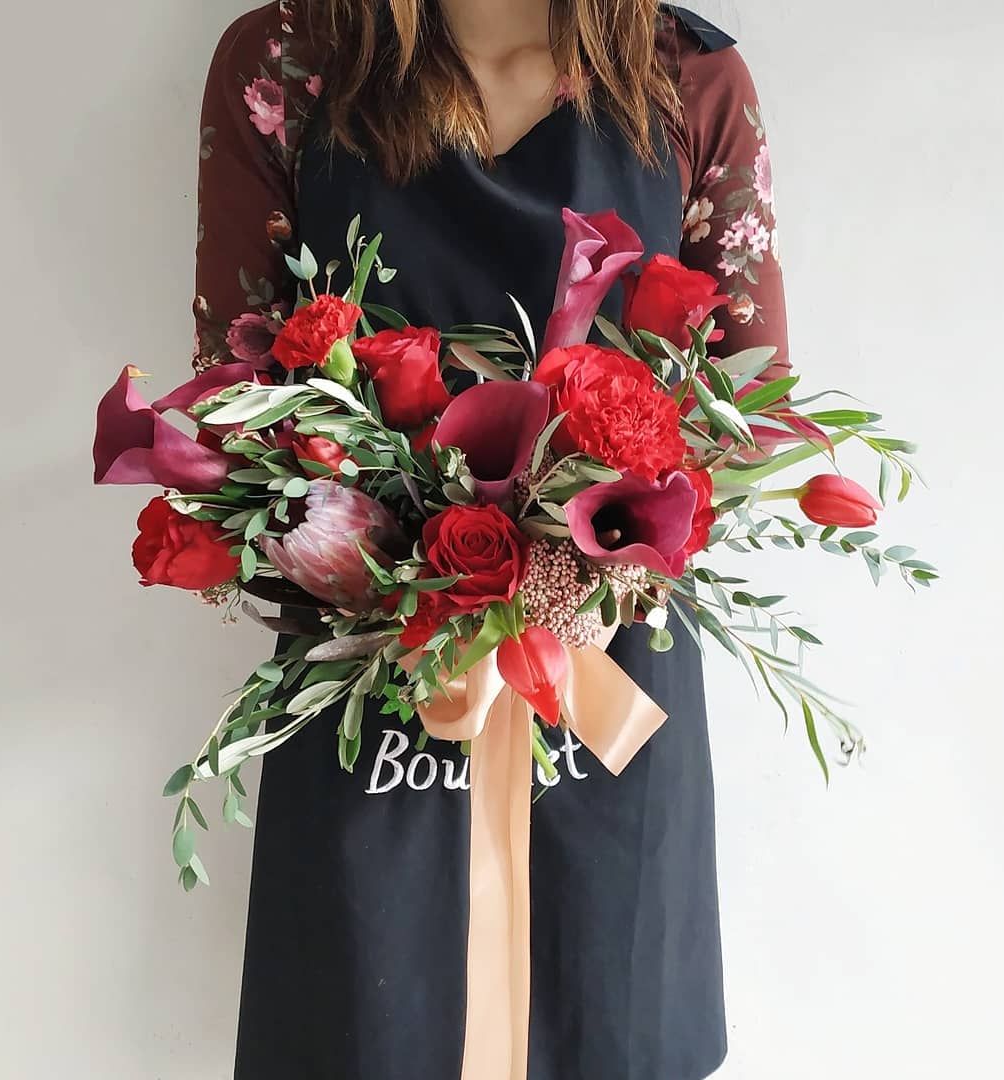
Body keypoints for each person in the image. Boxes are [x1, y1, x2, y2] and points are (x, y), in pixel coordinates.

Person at [193, 2, 788, 1077]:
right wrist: (390, 552)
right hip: (369, 668)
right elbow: (238, 387)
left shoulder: (688, 74)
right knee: (366, 1026)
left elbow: (753, 402)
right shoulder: (288, 63)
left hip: (608, 666)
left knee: (608, 1020)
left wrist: (576, 574)